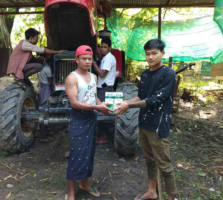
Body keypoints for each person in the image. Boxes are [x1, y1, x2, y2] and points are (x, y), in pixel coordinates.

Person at [115, 39, 177, 200]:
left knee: (164, 164)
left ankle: (172, 196)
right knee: (149, 160)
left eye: (154, 53)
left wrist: (128, 107)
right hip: (143, 123)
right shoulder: (145, 74)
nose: (150, 57)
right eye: (148, 54)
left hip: (158, 124)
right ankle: (152, 191)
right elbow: (141, 96)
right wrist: (125, 102)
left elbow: (155, 100)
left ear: (162, 53)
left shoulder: (168, 74)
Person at [65, 45, 111, 200]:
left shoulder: (94, 77)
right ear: (76, 59)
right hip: (78, 118)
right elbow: (74, 103)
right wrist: (97, 107)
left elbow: (93, 97)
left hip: (91, 118)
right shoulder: (72, 78)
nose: (86, 62)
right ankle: (70, 192)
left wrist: (103, 106)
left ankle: (84, 183)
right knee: (76, 153)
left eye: (89, 59)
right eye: (83, 59)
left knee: (89, 152)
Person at [92, 37, 116, 144]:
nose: (103, 49)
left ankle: (104, 137)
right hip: (104, 88)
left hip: (105, 89)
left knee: (103, 113)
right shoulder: (106, 58)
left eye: (105, 47)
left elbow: (102, 73)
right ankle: (103, 135)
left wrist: (93, 63)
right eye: (101, 47)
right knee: (104, 112)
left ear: (110, 48)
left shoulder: (109, 58)